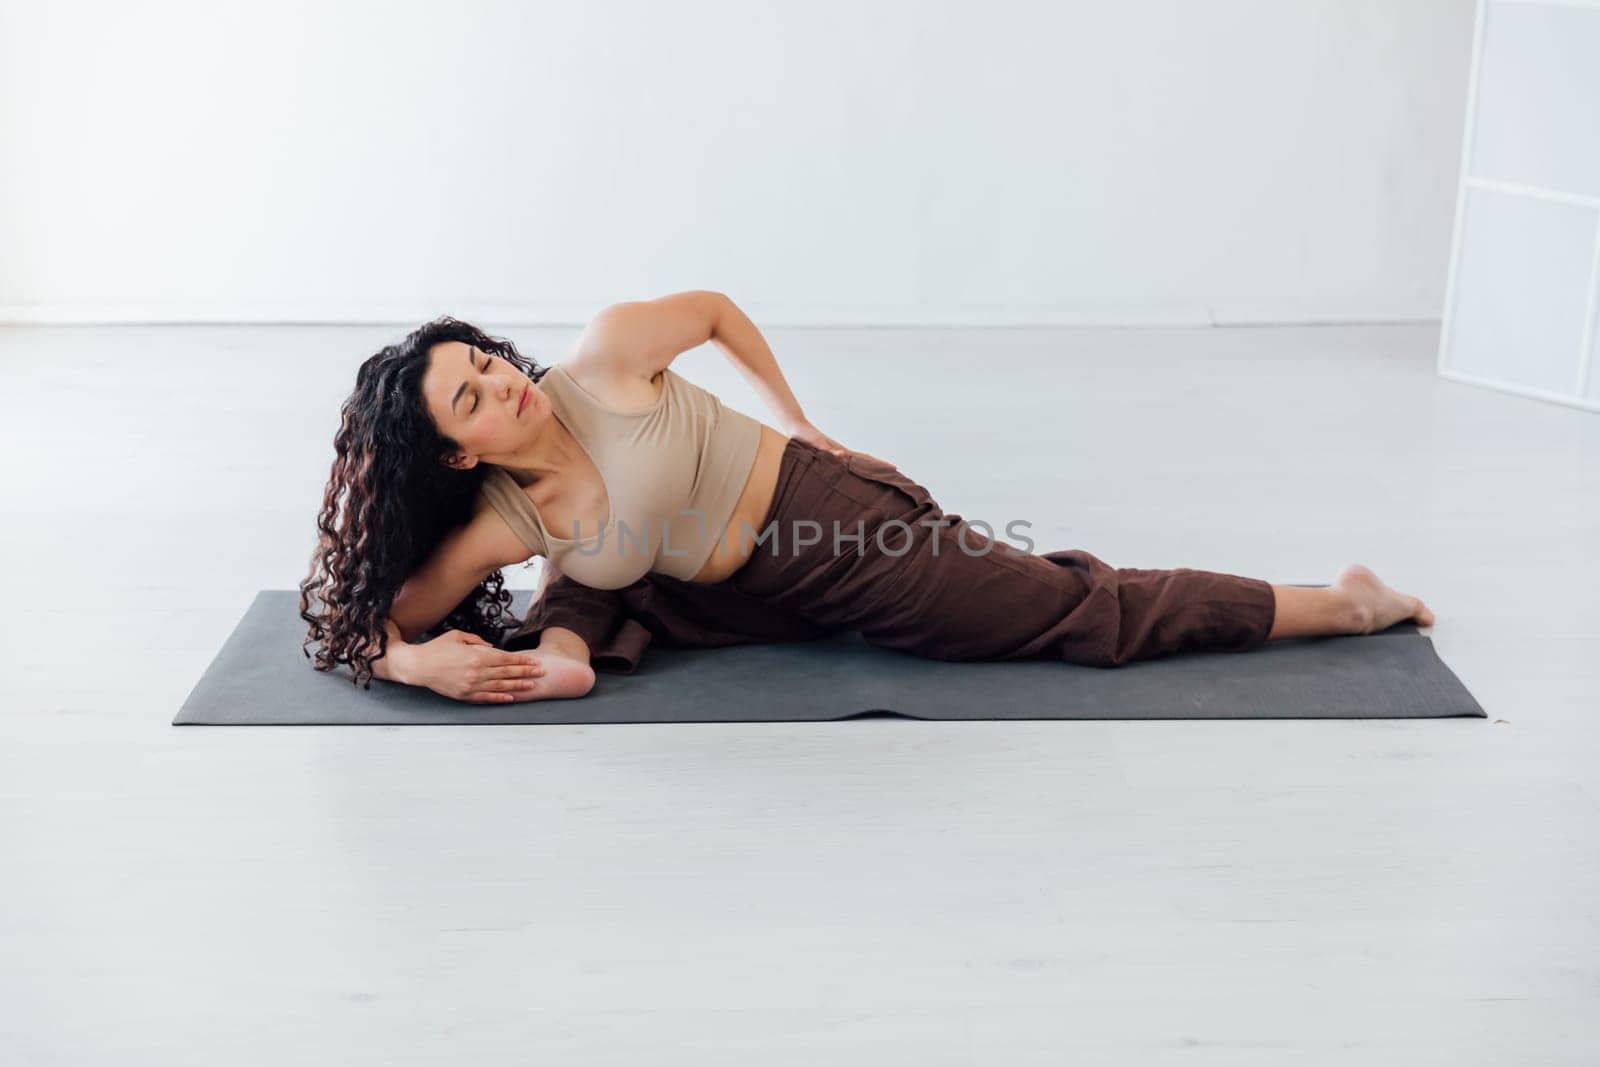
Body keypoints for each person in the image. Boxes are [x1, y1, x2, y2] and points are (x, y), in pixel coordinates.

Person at [299, 292, 1434, 704]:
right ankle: (585, 619)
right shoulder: (505, 517)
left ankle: (1339, 602)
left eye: (485, 361)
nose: (501, 381)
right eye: (472, 396)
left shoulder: (599, 360)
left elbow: (712, 311)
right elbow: (370, 614)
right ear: (454, 457)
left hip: (833, 527)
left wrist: (794, 418)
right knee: (603, 565)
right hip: (734, 589)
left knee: (1062, 611)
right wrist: (408, 659)